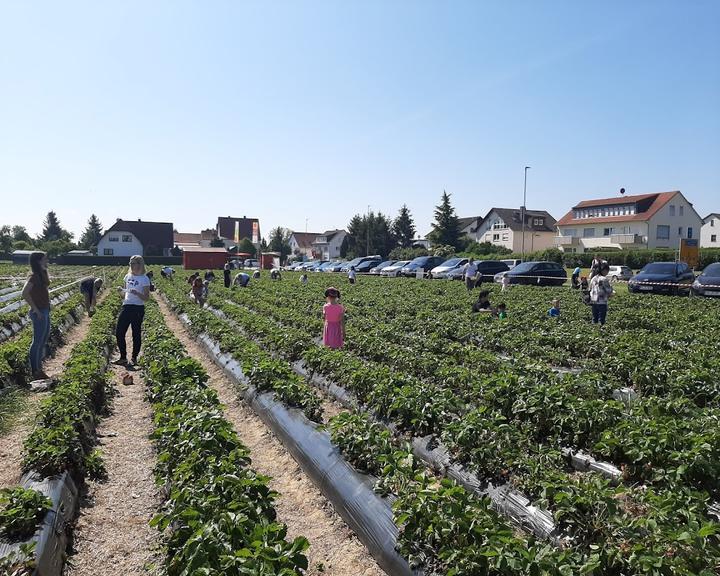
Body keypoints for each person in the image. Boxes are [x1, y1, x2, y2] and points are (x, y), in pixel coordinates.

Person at [115, 255, 151, 367]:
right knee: (119, 332)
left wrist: (137, 293)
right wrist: (120, 291)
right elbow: (124, 295)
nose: (131, 265)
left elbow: (146, 298)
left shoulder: (144, 279)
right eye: (130, 263)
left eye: (133, 263)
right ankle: (123, 357)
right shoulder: (127, 276)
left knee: (136, 333)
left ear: (140, 264)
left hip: (137, 308)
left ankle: (134, 358)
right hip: (126, 306)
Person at [22, 251, 51, 380]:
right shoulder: (33, 277)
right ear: (38, 261)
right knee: (37, 342)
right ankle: (35, 371)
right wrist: (36, 310)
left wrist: (44, 270)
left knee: (42, 341)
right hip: (39, 312)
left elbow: (46, 285)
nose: (47, 261)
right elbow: (25, 293)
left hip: (45, 310)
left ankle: (39, 369)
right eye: (45, 259)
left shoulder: (41, 274)